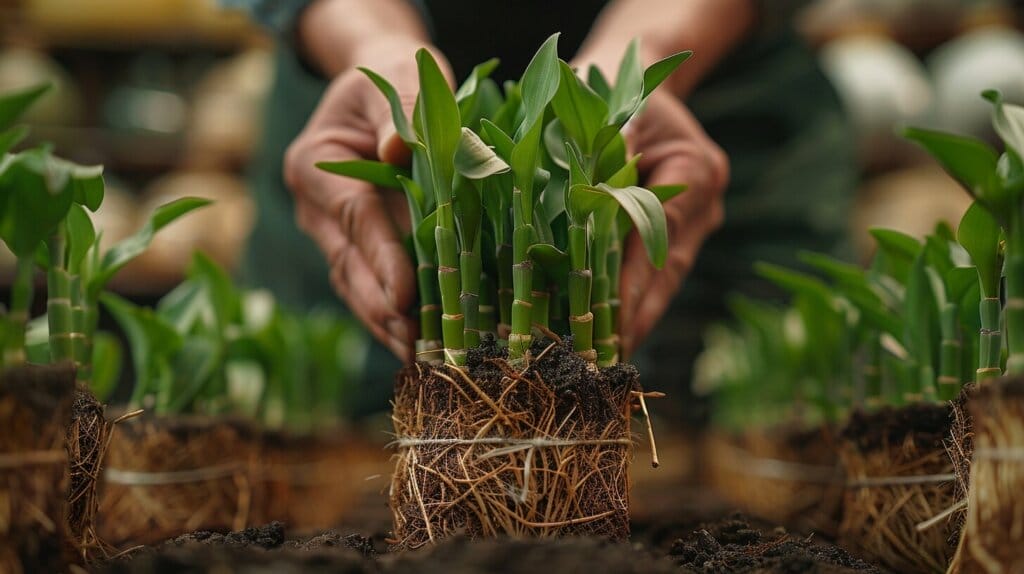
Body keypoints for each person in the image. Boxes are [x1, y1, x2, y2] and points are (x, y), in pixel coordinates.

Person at [225, 0, 857, 417]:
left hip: (713, 105)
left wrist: (630, 72)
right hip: (363, 118)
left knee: (758, 412)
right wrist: (371, 44)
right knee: (360, 399)